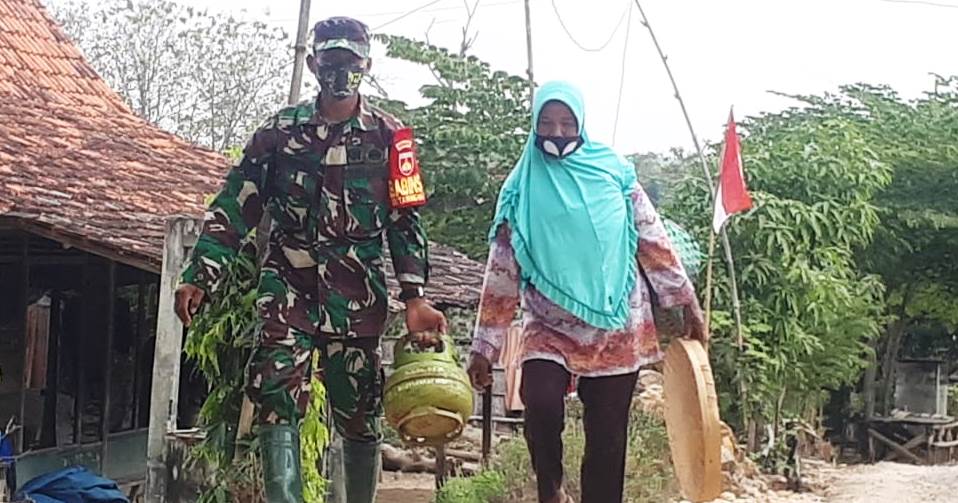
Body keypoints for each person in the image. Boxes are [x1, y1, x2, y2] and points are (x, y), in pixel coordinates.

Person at [173, 17, 446, 503]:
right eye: (331, 61)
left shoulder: (391, 138)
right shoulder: (278, 134)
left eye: (350, 62)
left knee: (359, 411)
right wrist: (201, 273)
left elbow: (406, 223)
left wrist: (415, 298)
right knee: (274, 392)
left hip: (357, 296)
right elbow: (235, 204)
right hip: (288, 288)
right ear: (313, 64)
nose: (340, 72)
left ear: (367, 65)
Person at [466, 81, 707, 503]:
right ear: (534, 126)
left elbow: (652, 240)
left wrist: (685, 302)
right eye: (546, 123)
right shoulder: (520, 188)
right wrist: (484, 346)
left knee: (608, 439)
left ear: (581, 124)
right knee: (539, 403)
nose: (557, 132)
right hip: (548, 325)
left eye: (566, 123)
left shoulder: (615, 174)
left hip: (617, 323)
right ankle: (551, 489)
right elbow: (502, 271)